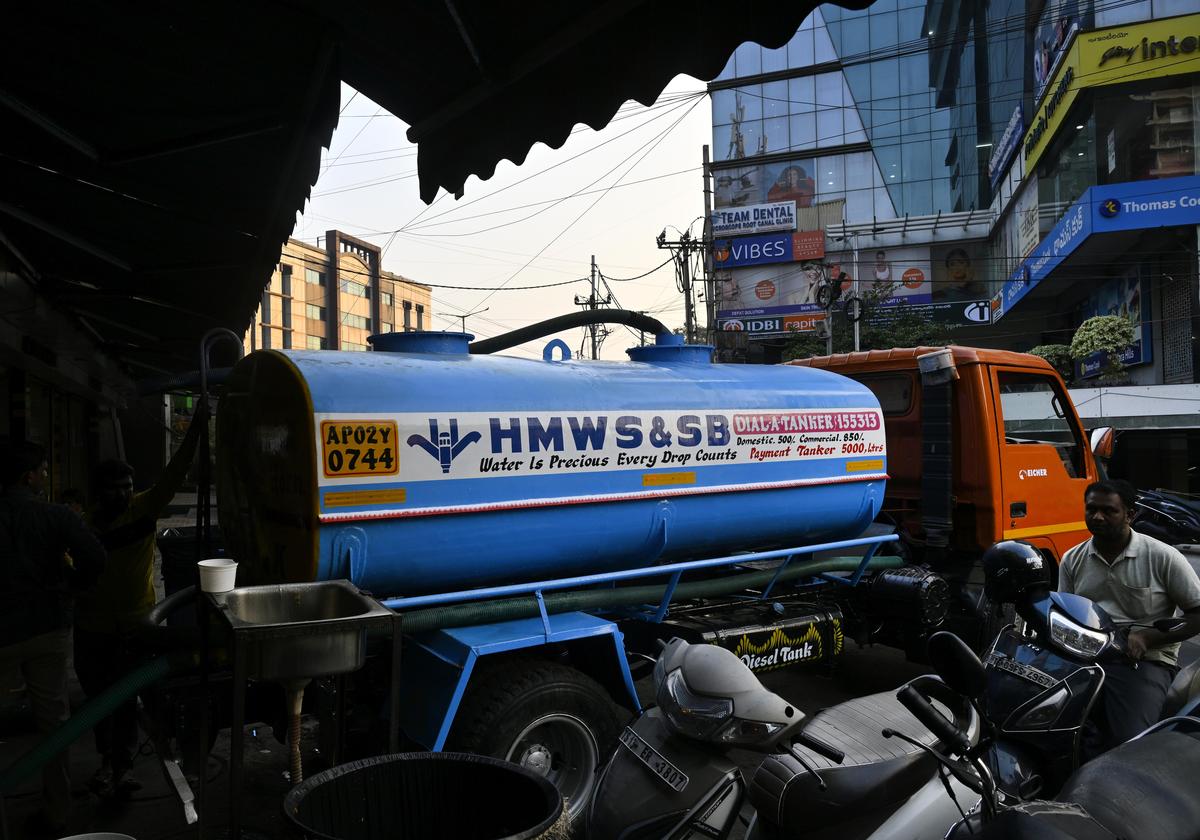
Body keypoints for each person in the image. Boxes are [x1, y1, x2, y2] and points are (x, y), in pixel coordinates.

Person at [74, 402, 208, 796]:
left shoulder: (144, 507)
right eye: (116, 489)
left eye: (128, 487)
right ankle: (108, 763)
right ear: (99, 493)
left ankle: (130, 765)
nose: (125, 494)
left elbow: (175, 473)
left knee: (140, 695)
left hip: (138, 623)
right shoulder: (81, 528)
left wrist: (197, 431)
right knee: (100, 702)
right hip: (93, 628)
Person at [0, 441, 105, 835]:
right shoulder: (55, 517)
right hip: (47, 629)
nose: (45, 477)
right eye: (43, 471)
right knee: (55, 725)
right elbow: (96, 558)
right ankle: (58, 811)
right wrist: (70, 586)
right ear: (29, 476)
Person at [1059, 479, 1200, 754]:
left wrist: (1147, 638)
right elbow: (1065, 610)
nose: (1097, 517)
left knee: (1127, 745)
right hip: (1085, 658)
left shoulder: (1163, 557)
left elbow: (1197, 614)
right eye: (1091, 509)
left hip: (1143, 662)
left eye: (1109, 511)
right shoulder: (1072, 559)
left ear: (1130, 515)